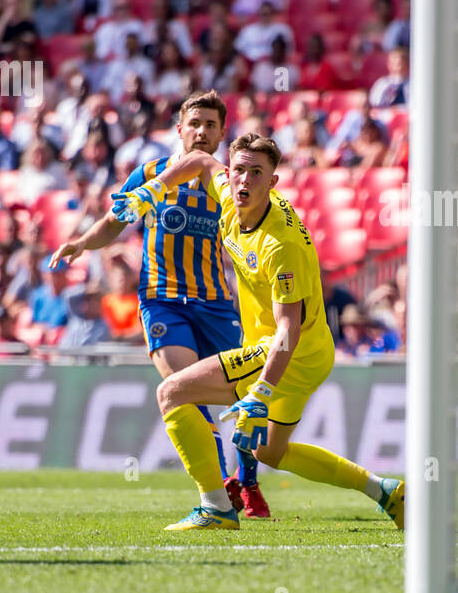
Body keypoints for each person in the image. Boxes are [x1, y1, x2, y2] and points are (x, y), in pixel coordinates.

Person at [112, 132, 405, 531]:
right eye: (239, 171)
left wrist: (261, 392)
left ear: (273, 182)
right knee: (271, 452)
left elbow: (289, 326)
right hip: (310, 351)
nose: (244, 181)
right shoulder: (232, 197)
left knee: (172, 391)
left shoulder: (280, 244)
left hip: (289, 350)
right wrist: (152, 191)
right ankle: (385, 490)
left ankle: (215, 507)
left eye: (256, 173)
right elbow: (200, 162)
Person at [50, 93, 266, 517]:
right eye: (195, 123)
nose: (202, 131)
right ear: (180, 129)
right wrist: (80, 243)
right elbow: (116, 222)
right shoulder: (150, 175)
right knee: (184, 388)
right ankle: (219, 486)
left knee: (244, 394)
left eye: (210, 125)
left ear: (223, 134)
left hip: (217, 303)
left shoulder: (229, 182)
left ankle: (250, 481)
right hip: (162, 301)